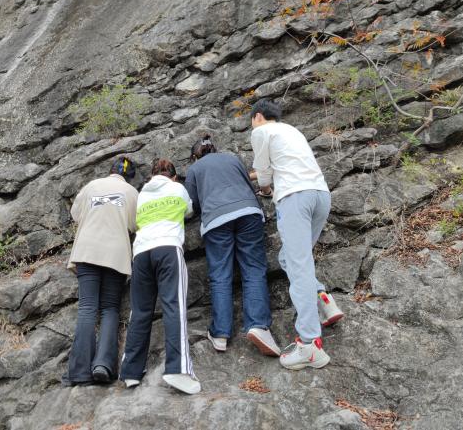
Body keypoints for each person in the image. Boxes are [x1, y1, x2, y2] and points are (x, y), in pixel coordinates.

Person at [250, 99, 344, 371]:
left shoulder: (261, 131)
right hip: (320, 195)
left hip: (295, 197)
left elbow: (264, 174)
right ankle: (323, 299)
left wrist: (265, 191)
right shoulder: (292, 131)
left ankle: (310, 344)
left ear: (258, 116)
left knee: (299, 266)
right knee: (289, 259)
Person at [184, 134, 280, 357]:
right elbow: (248, 184)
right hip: (248, 211)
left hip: (216, 219)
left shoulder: (195, 169)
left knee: (220, 275)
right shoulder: (232, 159)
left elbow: (193, 204)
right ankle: (258, 325)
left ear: (195, 156)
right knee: (254, 269)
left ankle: (220, 334)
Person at [120, 158, 199, 394]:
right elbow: (189, 210)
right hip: (168, 247)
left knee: (139, 311)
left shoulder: (142, 194)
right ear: (173, 176)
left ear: (152, 175)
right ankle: (178, 370)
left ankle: (130, 372)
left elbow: (135, 222)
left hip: (141, 253)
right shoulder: (177, 188)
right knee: (173, 306)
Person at [62, 157, 138, 386]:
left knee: (87, 308)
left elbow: (76, 214)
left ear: (110, 170)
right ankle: (103, 365)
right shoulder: (131, 192)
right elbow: (135, 224)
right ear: (129, 176)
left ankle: (79, 372)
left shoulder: (92, 186)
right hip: (115, 253)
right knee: (109, 308)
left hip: (87, 250)